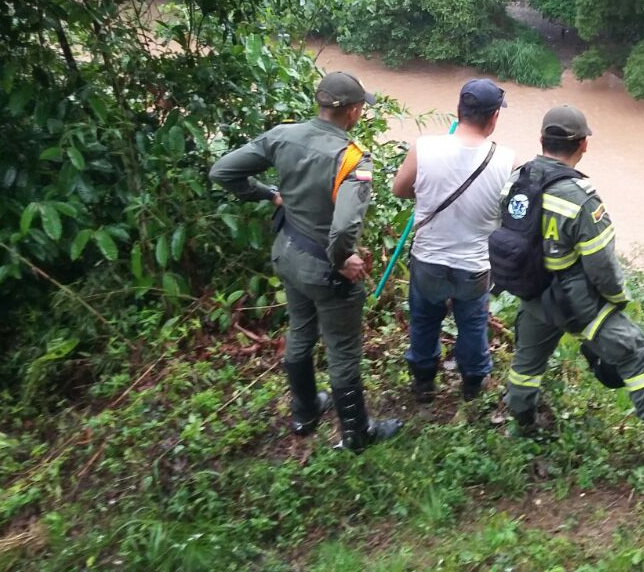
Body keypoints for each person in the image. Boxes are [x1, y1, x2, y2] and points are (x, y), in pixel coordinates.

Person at [209, 71, 401, 452]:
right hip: (325, 271)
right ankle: (356, 434)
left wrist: (268, 194)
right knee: (343, 350)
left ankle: (305, 411)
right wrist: (343, 258)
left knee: (300, 330)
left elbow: (223, 171)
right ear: (353, 111)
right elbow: (345, 226)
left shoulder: (283, 135)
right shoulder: (353, 158)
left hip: (288, 255)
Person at [503, 105, 644, 452]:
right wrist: (616, 300)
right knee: (638, 352)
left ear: (541, 139)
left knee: (526, 363)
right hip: (575, 298)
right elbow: (601, 265)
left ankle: (523, 423)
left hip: (531, 291)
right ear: (583, 144)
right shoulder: (581, 198)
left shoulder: (516, 180)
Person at [391, 79, 516, 402]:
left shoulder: (424, 147)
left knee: (423, 321)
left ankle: (423, 386)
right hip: (474, 265)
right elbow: (510, 218)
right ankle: (472, 386)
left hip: (428, 260)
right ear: (493, 118)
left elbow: (400, 190)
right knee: (473, 324)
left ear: (459, 110)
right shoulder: (507, 161)